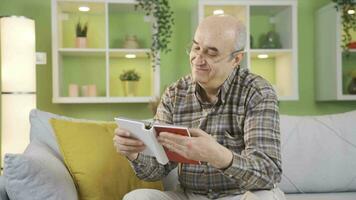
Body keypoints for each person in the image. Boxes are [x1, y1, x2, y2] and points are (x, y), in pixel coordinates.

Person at [113, 15, 285, 200]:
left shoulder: (257, 92)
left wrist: (218, 156)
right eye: (196, 48)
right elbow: (157, 170)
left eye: (211, 53)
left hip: (239, 195)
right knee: (138, 197)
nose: (197, 59)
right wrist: (134, 153)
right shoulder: (174, 94)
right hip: (188, 196)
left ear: (236, 59)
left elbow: (269, 173)